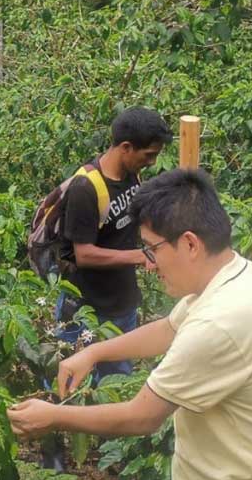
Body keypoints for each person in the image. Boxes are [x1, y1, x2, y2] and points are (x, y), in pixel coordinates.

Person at [10, 169, 252, 480]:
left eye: (152, 249)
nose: (148, 264)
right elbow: (171, 328)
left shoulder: (222, 322)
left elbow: (143, 416)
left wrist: (53, 417)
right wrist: (94, 351)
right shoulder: (236, 274)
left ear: (189, 244)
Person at [55, 107, 171, 376]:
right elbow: (83, 254)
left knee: (118, 383)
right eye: (149, 155)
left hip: (122, 303)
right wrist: (140, 256)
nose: (152, 162)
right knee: (75, 383)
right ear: (126, 148)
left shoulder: (132, 175)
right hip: (85, 309)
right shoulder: (86, 188)